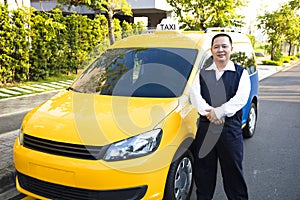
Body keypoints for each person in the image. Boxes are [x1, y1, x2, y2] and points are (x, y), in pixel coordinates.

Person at [190, 33, 251, 200]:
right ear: (211, 50)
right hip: (205, 128)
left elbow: (240, 99)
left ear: (231, 49)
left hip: (229, 129)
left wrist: (219, 112)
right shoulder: (202, 73)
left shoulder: (241, 73)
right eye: (216, 46)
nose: (220, 50)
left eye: (224, 46)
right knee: (203, 173)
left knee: (233, 173)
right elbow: (195, 95)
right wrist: (211, 113)